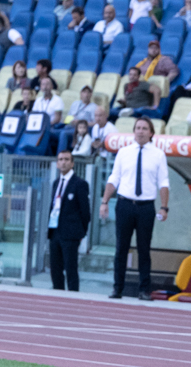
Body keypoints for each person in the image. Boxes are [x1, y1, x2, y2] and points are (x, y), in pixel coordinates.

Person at [100, 117, 169, 300]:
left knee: (144, 249)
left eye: (144, 128)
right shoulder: (124, 152)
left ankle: (144, 290)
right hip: (124, 204)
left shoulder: (158, 154)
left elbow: (163, 182)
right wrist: (105, 201)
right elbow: (114, 178)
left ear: (151, 132)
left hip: (146, 206)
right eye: (137, 128)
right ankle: (117, 288)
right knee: (121, 247)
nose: (140, 131)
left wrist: (164, 207)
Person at [48, 151, 90, 292]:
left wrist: (80, 233)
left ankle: (73, 297)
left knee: (71, 268)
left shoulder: (80, 184)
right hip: (55, 231)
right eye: (60, 159)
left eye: (66, 159)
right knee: (55, 268)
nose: (63, 162)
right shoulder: (55, 183)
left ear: (72, 163)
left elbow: (85, 211)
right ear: (57, 163)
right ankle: (57, 295)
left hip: (71, 233)